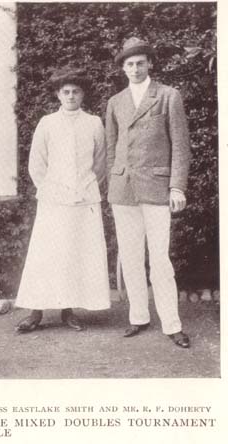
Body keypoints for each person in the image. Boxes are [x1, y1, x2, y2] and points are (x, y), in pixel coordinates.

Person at [106, 37, 191, 348]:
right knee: (130, 257)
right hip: (123, 190)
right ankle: (138, 317)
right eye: (129, 64)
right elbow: (112, 149)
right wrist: (112, 184)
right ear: (123, 68)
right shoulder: (115, 102)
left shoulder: (168, 96)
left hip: (156, 188)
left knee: (160, 259)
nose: (135, 68)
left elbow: (180, 146)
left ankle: (172, 324)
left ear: (150, 64)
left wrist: (177, 186)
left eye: (140, 62)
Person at [15, 67, 110, 333]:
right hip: (53, 200)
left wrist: (84, 186)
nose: (70, 96)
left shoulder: (93, 123)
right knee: (46, 255)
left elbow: (100, 164)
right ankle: (36, 312)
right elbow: (37, 164)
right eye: (66, 91)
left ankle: (69, 311)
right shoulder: (47, 123)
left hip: (84, 199)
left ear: (82, 94)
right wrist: (51, 189)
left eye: (75, 91)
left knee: (76, 255)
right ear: (58, 94)